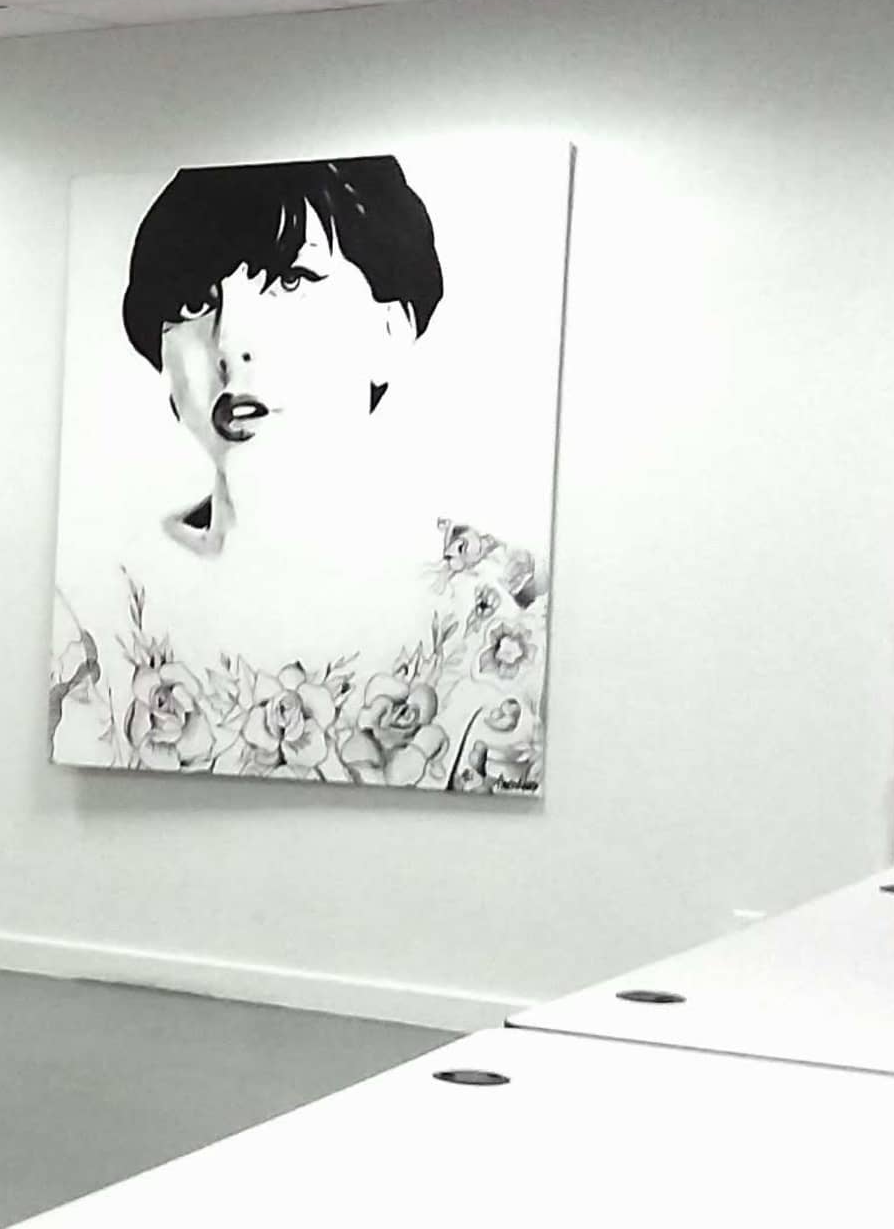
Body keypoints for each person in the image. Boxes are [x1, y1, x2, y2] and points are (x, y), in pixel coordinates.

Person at [50, 153, 546, 793]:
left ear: (391, 329)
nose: (230, 342)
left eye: (288, 280)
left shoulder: (491, 612)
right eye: (198, 301)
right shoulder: (103, 597)